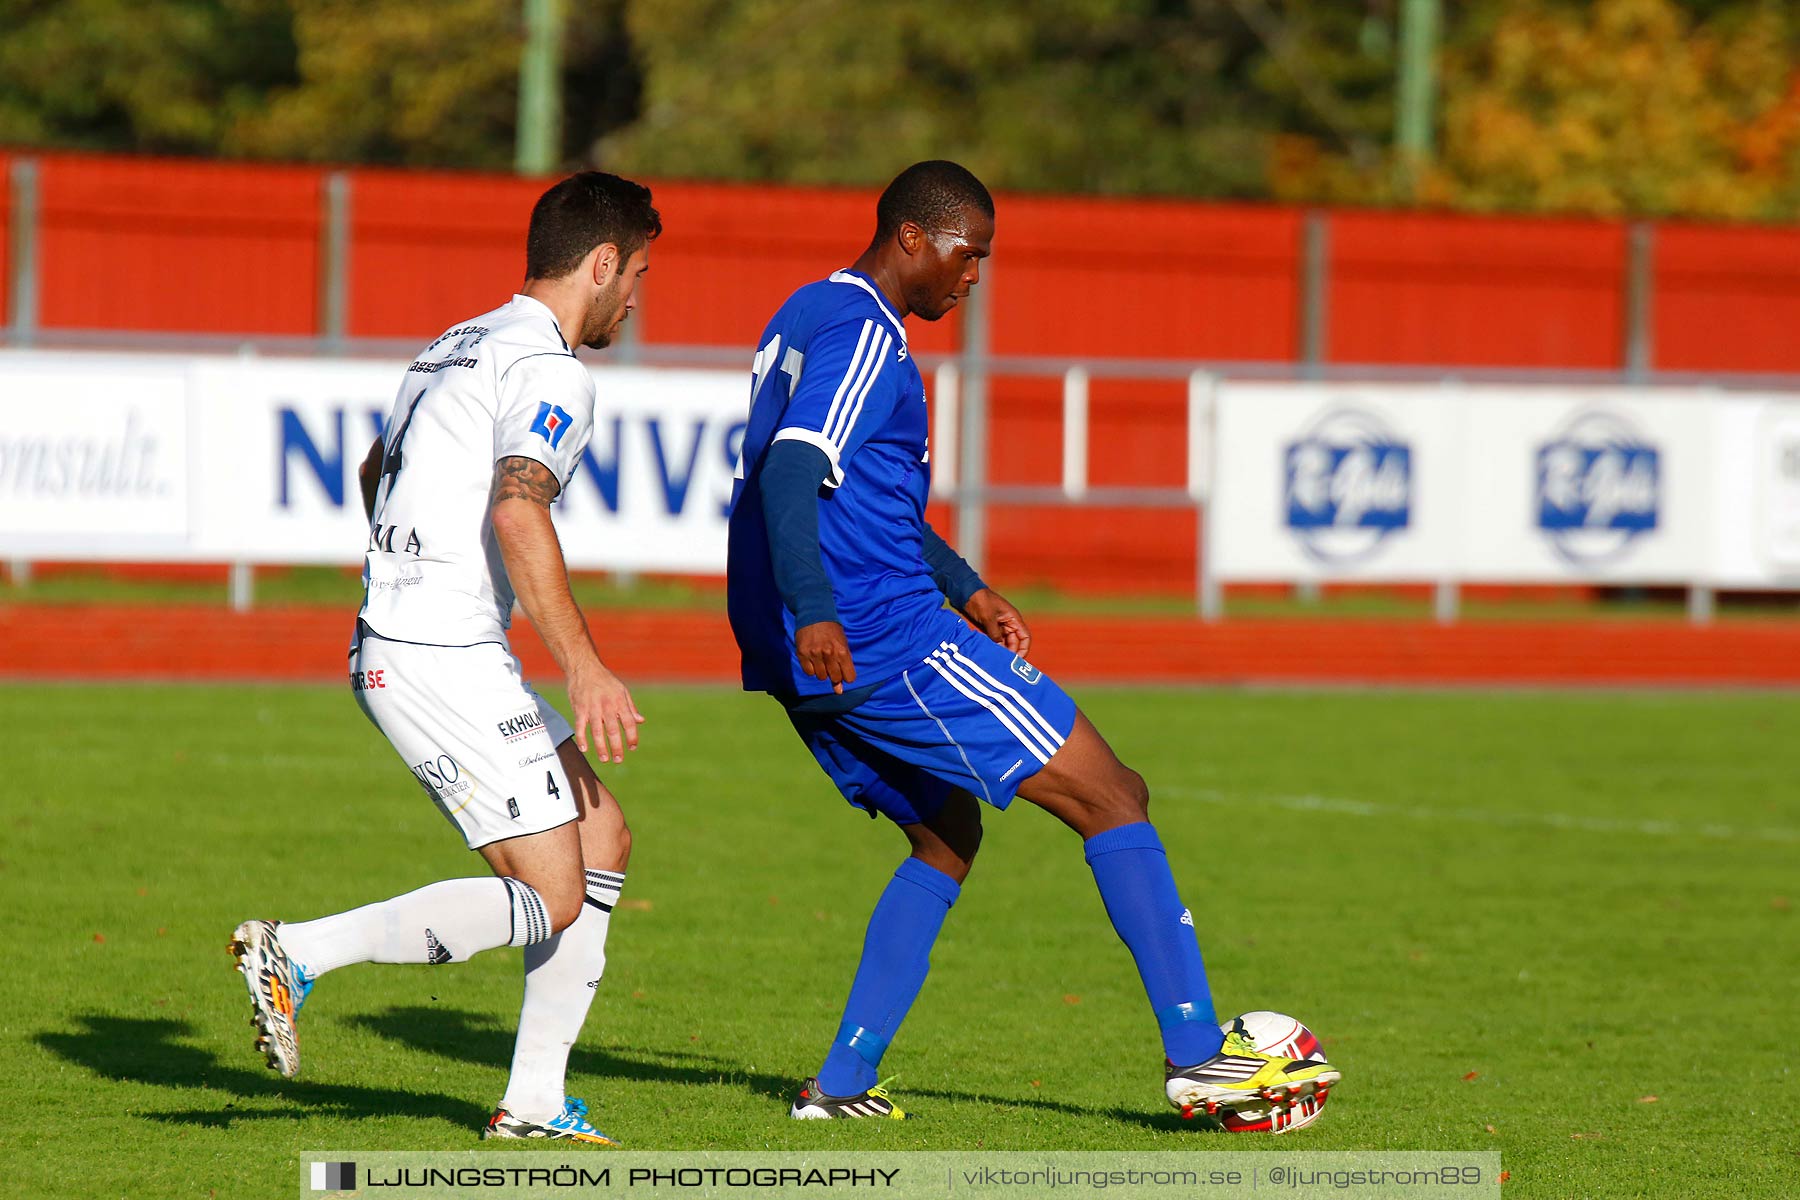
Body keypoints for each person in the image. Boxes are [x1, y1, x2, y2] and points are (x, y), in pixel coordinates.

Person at [725, 160, 1340, 1124]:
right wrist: (817, 607)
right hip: (877, 637)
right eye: (970, 255)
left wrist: (964, 587)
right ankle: (1199, 1058)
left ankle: (838, 1088)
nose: (975, 278)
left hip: (819, 645)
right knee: (1112, 792)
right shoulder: (862, 331)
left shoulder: (806, 310)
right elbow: (794, 469)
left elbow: (856, 489)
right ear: (914, 238)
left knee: (947, 834)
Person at [229, 171, 660, 1145]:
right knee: (553, 892)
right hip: (440, 653)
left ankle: (536, 1105)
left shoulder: (451, 345)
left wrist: (404, 566)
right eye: (636, 272)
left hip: (422, 639)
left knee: (602, 840)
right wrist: (586, 667)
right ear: (601, 263)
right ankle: (295, 954)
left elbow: (377, 469)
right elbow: (518, 506)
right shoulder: (550, 368)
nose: (635, 295)